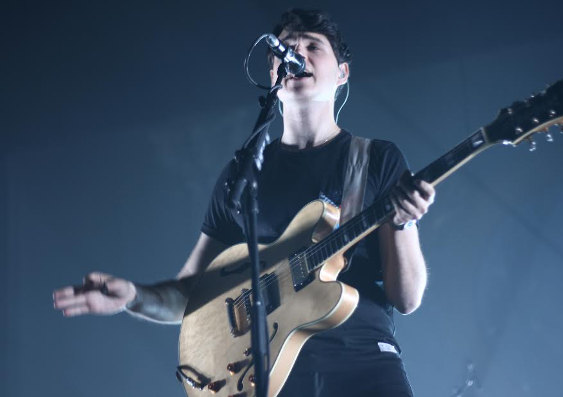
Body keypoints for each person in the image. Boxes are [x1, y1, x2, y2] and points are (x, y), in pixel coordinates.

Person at [53, 9, 435, 397]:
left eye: (313, 47)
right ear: (273, 74)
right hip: (272, 375)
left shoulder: (375, 159)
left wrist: (403, 223)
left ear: (342, 73)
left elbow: (407, 298)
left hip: (364, 363)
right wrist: (135, 297)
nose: (296, 54)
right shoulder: (244, 173)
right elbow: (191, 294)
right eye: (285, 49)